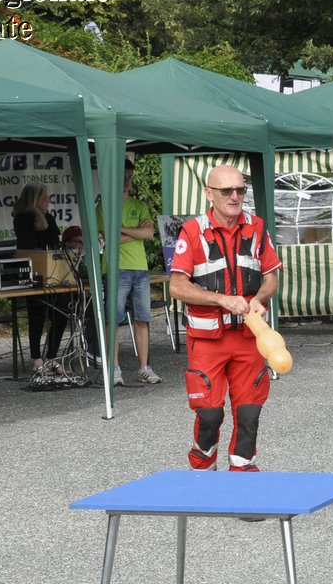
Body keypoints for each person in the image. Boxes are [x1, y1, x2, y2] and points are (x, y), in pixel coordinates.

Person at [167, 163, 282, 471]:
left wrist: (259, 298)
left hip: (249, 337)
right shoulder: (192, 231)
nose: (235, 196)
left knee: (249, 413)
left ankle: (243, 478)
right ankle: (203, 467)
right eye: (227, 190)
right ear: (209, 193)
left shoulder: (257, 228)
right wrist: (221, 299)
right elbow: (177, 286)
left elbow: (272, 277)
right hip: (207, 340)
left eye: (240, 190)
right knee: (209, 413)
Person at [110, 157, 159, 385]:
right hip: (116, 267)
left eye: (129, 177)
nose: (127, 181)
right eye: (123, 177)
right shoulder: (105, 207)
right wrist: (134, 232)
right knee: (115, 320)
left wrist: (119, 229)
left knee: (143, 319)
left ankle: (144, 368)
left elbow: (149, 234)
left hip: (140, 268)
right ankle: (115, 368)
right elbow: (107, 240)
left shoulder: (140, 206)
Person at [12, 183, 69, 380]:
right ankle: (36, 358)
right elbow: (33, 235)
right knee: (36, 314)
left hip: (52, 272)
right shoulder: (21, 219)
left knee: (61, 313)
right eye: (44, 198)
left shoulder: (50, 218)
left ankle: (52, 356)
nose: (48, 201)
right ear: (34, 200)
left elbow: (52, 240)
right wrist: (35, 211)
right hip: (31, 272)